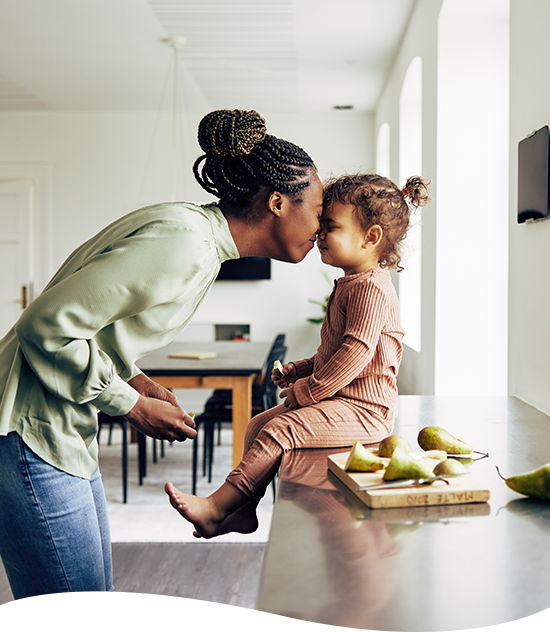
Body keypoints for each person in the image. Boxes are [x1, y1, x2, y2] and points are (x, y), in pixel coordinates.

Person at [0, 109, 322, 632]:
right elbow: (46, 327)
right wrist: (129, 405)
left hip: (56, 431)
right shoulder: (185, 242)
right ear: (278, 202)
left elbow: (94, 329)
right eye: (319, 209)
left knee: (94, 615)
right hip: (26, 432)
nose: (322, 227)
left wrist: (138, 382)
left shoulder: (197, 239)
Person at [165, 172, 430, 539]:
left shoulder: (370, 289)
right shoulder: (352, 284)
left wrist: (309, 389)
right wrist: (301, 368)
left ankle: (217, 507)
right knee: (258, 424)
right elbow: (336, 351)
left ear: (371, 238)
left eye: (331, 227)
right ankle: (243, 511)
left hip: (367, 411)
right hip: (342, 401)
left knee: (278, 431)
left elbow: (356, 353)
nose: (319, 234)